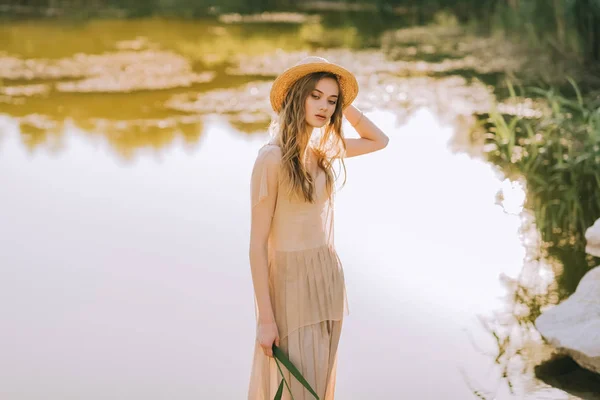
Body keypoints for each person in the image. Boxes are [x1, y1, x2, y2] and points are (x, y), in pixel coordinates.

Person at [247, 56, 389, 400]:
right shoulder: (271, 158)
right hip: (290, 284)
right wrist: (266, 321)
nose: (324, 106)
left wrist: (347, 104)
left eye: (331, 100)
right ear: (296, 98)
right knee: (298, 387)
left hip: (327, 279)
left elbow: (378, 140)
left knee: (319, 386)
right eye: (315, 96)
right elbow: (256, 246)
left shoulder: (323, 149)